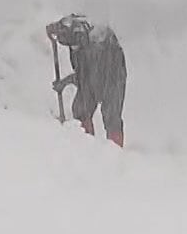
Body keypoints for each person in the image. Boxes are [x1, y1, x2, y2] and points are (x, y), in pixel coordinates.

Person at [47, 14, 127, 147]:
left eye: (75, 46)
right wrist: (65, 82)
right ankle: (86, 147)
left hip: (113, 76)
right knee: (80, 109)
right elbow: (83, 75)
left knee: (111, 115)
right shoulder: (78, 36)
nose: (73, 49)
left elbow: (90, 77)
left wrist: (67, 81)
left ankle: (115, 153)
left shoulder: (100, 44)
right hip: (96, 75)